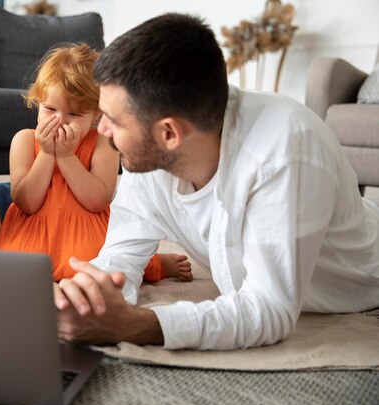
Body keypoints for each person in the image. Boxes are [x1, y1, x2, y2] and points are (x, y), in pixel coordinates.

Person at [54, 13, 379, 350]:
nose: (101, 129)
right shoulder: (147, 157)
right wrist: (85, 299)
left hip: (364, 281)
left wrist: (137, 326)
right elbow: (121, 257)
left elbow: (270, 309)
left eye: (114, 120)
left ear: (169, 133)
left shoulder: (283, 152)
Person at [0, 44, 192, 282]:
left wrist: (67, 157)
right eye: (50, 109)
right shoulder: (24, 140)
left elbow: (98, 201)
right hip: (32, 229)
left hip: (85, 229)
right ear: (38, 101)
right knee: (6, 265)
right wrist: (47, 154)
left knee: (108, 266)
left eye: (75, 114)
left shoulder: (101, 142)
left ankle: (155, 263)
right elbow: (26, 203)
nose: (59, 120)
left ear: (95, 115)